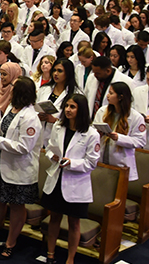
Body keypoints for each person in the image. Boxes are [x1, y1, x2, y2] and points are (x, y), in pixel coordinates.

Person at [0, 76, 41, 259]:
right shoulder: (11, 108)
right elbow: (4, 132)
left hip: (19, 169)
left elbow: (24, 147)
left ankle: (10, 243)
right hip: (1, 163)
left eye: (13, 87)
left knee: (16, 207)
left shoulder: (31, 117)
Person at [42, 94, 99, 264]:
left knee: (74, 223)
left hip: (76, 184)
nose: (68, 109)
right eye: (67, 106)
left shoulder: (91, 134)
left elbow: (91, 162)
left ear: (81, 110)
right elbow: (50, 148)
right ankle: (50, 253)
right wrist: (52, 156)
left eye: (72, 107)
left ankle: (70, 258)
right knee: (54, 218)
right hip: (56, 180)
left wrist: (72, 163)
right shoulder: (58, 126)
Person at [94, 82, 146, 183]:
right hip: (100, 160)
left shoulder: (136, 117)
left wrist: (119, 138)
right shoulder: (102, 111)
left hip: (121, 162)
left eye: (111, 93)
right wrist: (97, 133)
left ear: (120, 97)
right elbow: (92, 131)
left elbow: (140, 141)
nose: (107, 96)